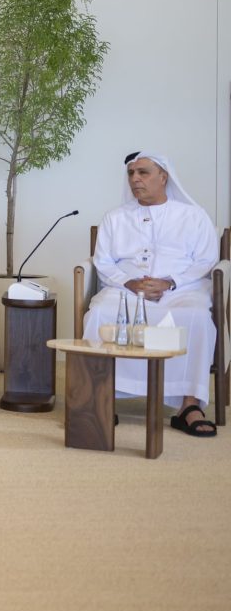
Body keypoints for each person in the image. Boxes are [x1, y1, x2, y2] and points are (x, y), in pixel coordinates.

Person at [80, 151, 219, 436]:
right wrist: (129, 282)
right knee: (99, 313)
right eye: (131, 173)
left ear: (163, 177)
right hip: (126, 290)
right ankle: (100, 397)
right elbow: (103, 262)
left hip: (182, 289)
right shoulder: (115, 218)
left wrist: (170, 282)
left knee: (196, 317)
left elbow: (206, 260)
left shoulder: (193, 216)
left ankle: (189, 405)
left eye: (143, 172)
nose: (135, 179)